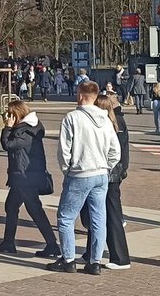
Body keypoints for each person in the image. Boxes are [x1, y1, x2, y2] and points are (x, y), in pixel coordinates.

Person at [47, 81, 121, 275]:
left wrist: (67, 169)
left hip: (80, 173)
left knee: (66, 217)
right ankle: (95, 262)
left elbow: (64, 149)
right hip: (101, 174)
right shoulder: (105, 119)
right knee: (98, 218)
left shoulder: (72, 118)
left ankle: (69, 259)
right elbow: (115, 150)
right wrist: (107, 166)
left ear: (80, 95)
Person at [0, 100, 60, 257]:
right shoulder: (25, 129)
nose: (7, 117)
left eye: (9, 114)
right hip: (22, 176)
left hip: (26, 177)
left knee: (34, 209)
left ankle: (52, 245)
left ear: (16, 114)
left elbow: (8, 145)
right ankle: (8, 242)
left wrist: (7, 128)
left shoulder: (27, 131)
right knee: (11, 206)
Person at [81, 94, 131, 269]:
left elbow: (116, 151)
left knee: (111, 214)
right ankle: (90, 253)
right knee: (96, 212)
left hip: (108, 174)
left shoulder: (108, 124)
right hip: (111, 173)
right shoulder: (115, 122)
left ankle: (120, 257)